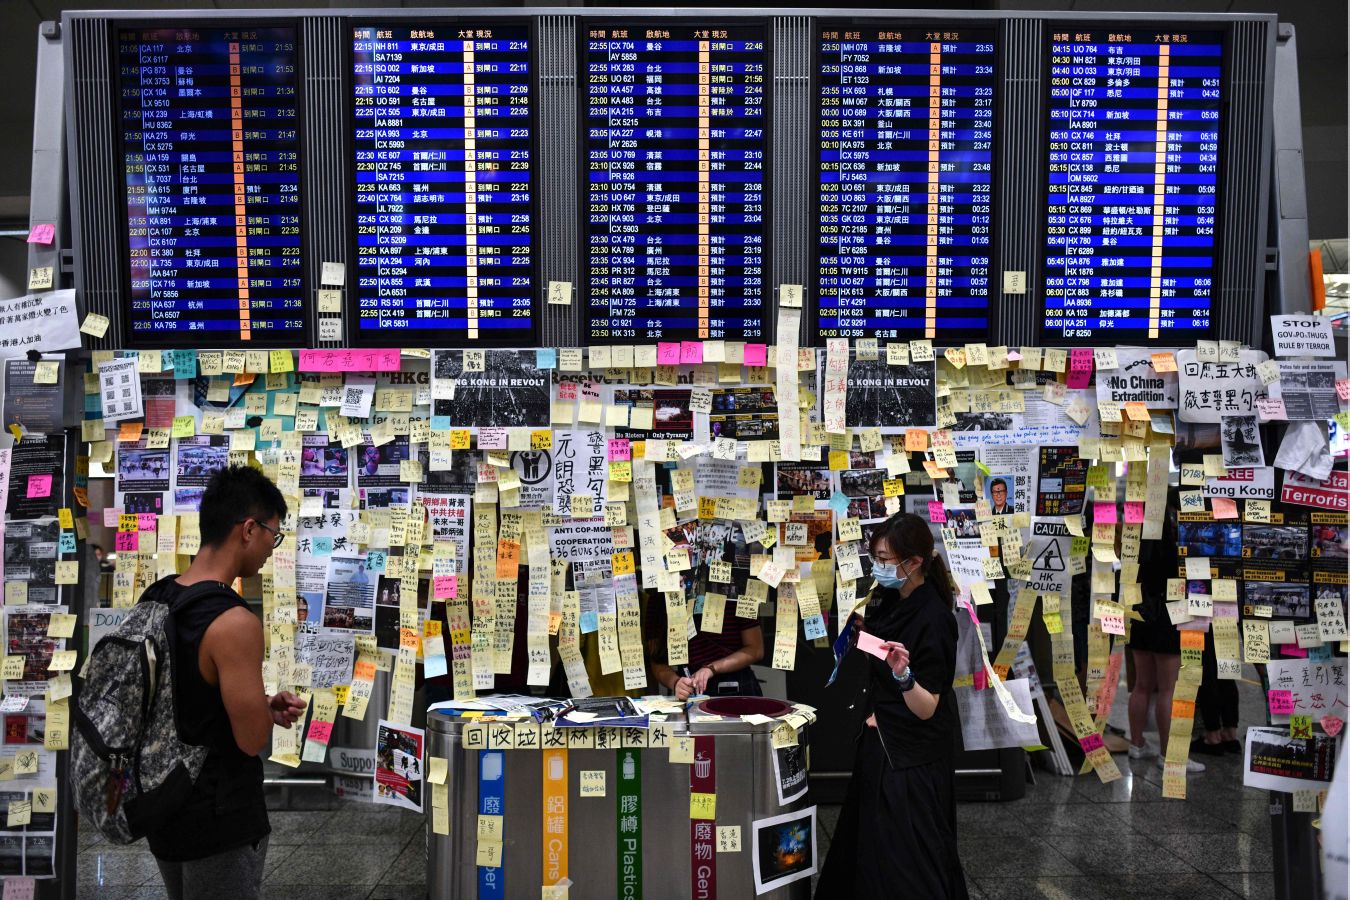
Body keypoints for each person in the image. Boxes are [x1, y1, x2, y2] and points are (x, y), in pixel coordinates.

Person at [144, 466, 306, 900]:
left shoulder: (157, 598)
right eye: (275, 533)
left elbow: (182, 699)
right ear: (249, 529)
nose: (274, 546)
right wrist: (259, 713)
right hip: (219, 815)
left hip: (162, 807)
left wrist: (259, 700)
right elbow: (251, 738)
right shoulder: (234, 621)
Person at [815, 512, 967, 899]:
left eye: (885, 559)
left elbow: (927, 706)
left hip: (911, 759)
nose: (878, 567)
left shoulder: (934, 618)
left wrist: (903, 674)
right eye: (876, 557)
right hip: (880, 744)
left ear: (914, 563)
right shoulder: (890, 598)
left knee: (907, 862)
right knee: (867, 853)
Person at [1127, 492, 1205, 773]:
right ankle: (1169, 755)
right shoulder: (1174, 546)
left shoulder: (1136, 543)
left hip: (1140, 613)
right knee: (1169, 688)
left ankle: (1136, 744)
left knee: (1142, 685)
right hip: (1169, 615)